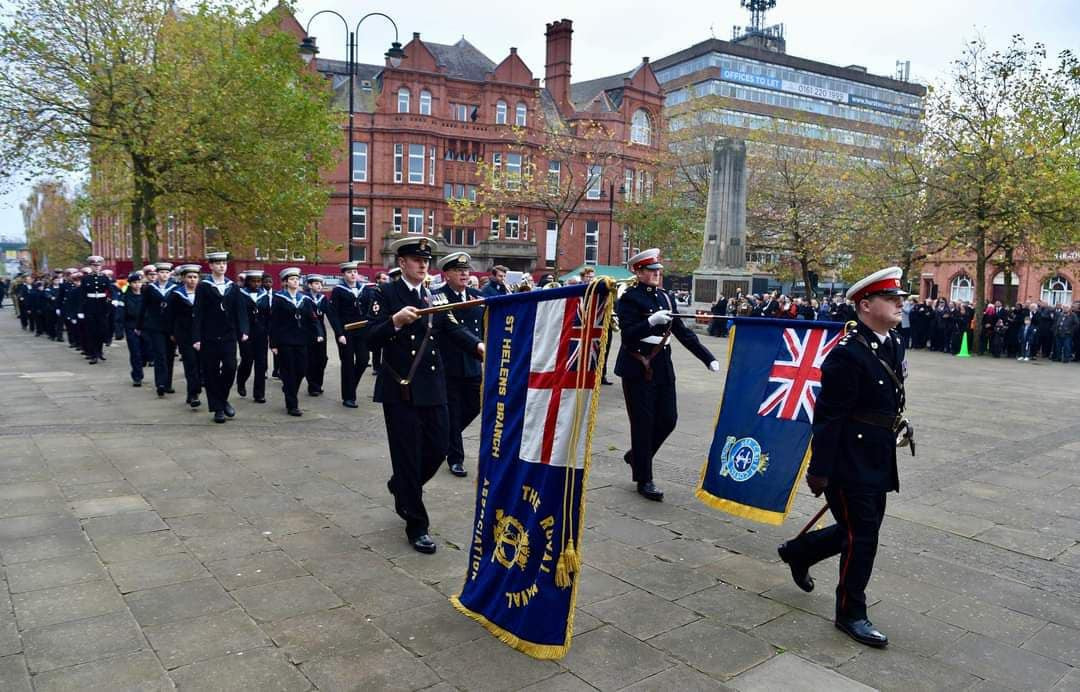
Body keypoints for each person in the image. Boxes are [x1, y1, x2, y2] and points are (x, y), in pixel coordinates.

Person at [777, 266, 909, 649]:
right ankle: (851, 612)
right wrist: (820, 472)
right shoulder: (846, 356)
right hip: (849, 459)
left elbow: (889, 394)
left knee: (859, 529)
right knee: (863, 536)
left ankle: (798, 552)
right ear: (865, 305)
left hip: (878, 453)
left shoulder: (891, 343)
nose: (900, 304)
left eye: (900, 298)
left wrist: (896, 422)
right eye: (891, 298)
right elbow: (829, 417)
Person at [365, 238, 483, 553]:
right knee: (406, 454)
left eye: (426, 260)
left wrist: (479, 347)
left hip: (433, 386)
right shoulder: (384, 293)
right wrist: (394, 321)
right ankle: (416, 524)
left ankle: (403, 486)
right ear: (401, 262)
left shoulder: (433, 296)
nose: (422, 264)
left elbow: (451, 330)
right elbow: (369, 338)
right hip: (400, 387)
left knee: (441, 445)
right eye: (416, 259)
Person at [615, 248, 720, 502]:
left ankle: (637, 457)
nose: (656, 275)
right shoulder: (629, 298)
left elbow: (683, 332)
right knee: (643, 423)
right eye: (651, 271)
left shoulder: (665, 297)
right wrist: (650, 322)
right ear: (638, 272)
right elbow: (628, 334)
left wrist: (708, 357)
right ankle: (644, 478)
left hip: (662, 365)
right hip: (638, 365)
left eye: (658, 271)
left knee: (669, 419)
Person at [435, 251, 484, 477]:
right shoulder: (438, 297)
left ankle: (445, 438)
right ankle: (456, 458)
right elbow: (453, 328)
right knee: (453, 412)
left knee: (475, 405)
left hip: (473, 364)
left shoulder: (476, 295)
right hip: (450, 363)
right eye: (458, 270)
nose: (464, 274)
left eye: (466, 270)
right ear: (446, 274)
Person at [192, 252, 249, 424]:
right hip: (208, 336)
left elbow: (241, 311)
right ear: (211, 266)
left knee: (231, 368)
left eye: (223, 263)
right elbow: (198, 313)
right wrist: (196, 337)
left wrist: (244, 330)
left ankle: (222, 399)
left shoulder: (233, 286)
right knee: (211, 373)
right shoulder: (203, 286)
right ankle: (218, 409)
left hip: (228, 335)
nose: (221, 266)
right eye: (217, 263)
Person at [268, 267, 323, 416]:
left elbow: (313, 319)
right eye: (292, 279)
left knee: (302, 370)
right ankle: (292, 405)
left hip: (302, 340)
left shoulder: (304, 299)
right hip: (285, 341)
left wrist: (318, 333)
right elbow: (274, 322)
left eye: (297, 279)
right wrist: (273, 343)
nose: (295, 282)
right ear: (285, 282)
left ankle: (288, 388)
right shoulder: (279, 299)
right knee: (289, 371)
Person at [327, 261, 371, 408]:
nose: (353, 274)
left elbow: (370, 309)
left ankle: (351, 386)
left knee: (363, 360)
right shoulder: (338, 290)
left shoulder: (364, 289)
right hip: (346, 332)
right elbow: (333, 315)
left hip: (362, 330)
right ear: (343, 274)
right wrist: (339, 334)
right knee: (347, 364)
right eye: (349, 272)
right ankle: (348, 397)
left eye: (355, 272)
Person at [165, 265, 203, 409]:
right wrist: (172, 332)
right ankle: (193, 394)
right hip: (184, 334)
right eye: (189, 277)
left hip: (201, 333)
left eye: (195, 277)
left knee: (201, 364)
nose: (192, 280)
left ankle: (195, 389)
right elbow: (170, 315)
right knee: (190, 363)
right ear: (183, 278)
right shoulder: (176, 294)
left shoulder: (204, 292)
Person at [138, 263, 177, 397]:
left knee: (169, 355)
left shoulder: (175, 288)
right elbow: (143, 307)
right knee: (160, 354)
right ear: (157, 274)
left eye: (167, 272)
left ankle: (168, 383)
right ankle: (160, 383)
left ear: (170, 274)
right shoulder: (150, 289)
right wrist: (139, 325)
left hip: (171, 327)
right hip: (155, 326)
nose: (164, 275)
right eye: (161, 272)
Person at [236, 270, 270, 403]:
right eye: (253, 281)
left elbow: (267, 315)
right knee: (247, 360)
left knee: (261, 364)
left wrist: (268, 331)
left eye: (258, 281)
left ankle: (259, 393)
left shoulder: (264, 295)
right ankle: (241, 381)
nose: (256, 284)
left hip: (261, 334)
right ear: (247, 282)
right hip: (246, 334)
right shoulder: (240, 294)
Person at [77, 256, 112, 364]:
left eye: (98, 265)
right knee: (91, 330)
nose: (97, 267)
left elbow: (111, 290)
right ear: (91, 266)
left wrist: (114, 299)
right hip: (90, 305)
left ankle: (100, 352)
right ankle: (93, 354)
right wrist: (80, 310)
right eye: (94, 266)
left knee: (101, 330)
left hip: (101, 305)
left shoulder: (105, 278)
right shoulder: (86, 278)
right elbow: (82, 295)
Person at [121, 272, 150, 386]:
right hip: (131, 327)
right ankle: (137, 377)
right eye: (135, 283)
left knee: (147, 351)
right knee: (135, 353)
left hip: (146, 327)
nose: (137, 285)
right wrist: (119, 330)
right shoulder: (125, 297)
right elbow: (121, 314)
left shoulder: (146, 295)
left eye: (139, 282)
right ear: (130, 284)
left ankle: (144, 360)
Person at [304, 274, 329, 397]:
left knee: (322, 359)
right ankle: (312, 385)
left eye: (320, 283)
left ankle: (318, 383)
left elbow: (330, 313)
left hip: (322, 331)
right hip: (309, 332)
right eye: (316, 283)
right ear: (309, 285)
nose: (319, 286)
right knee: (311, 359)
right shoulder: (304, 298)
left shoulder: (323, 298)